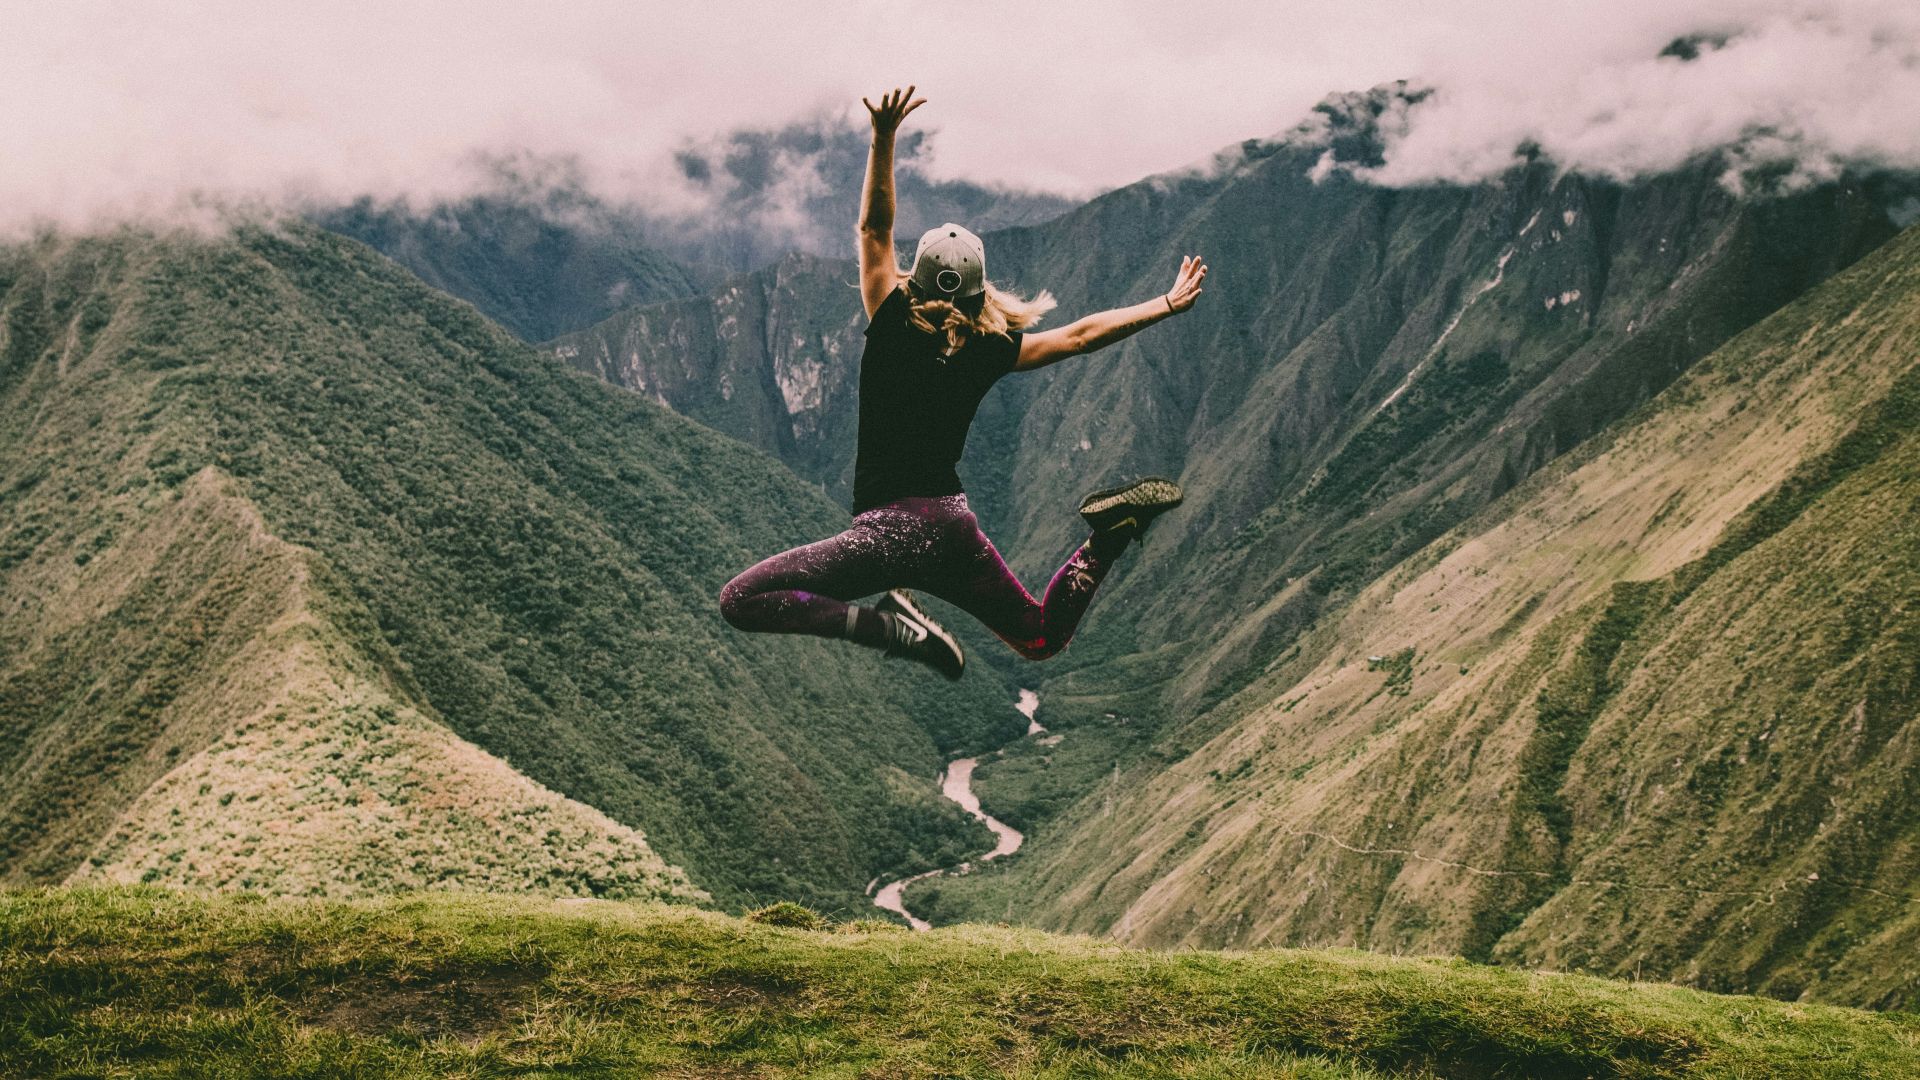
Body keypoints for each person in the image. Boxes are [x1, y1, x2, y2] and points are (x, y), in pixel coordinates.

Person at [718, 86, 1207, 679]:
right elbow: (1079, 336)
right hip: (952, 527)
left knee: (741, 600)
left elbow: (875, 228)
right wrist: (1165, 303)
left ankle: (886, 628)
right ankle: (1106, 539)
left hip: (888, 534)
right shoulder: (990, 347)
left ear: (914, 279)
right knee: (1039, 636)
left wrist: (883, 136)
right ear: (980, 290)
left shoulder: (892, 320)